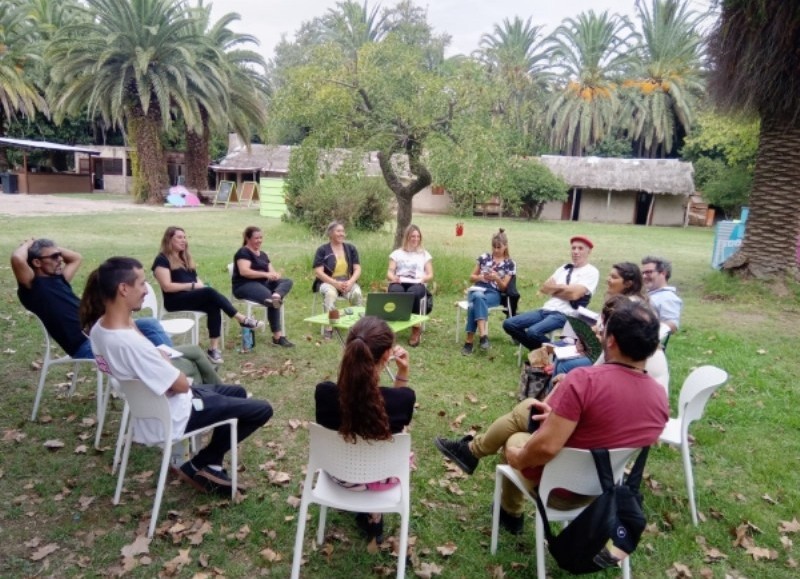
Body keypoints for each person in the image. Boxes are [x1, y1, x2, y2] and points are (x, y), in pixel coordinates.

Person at [435, 300, 668, 534]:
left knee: (515, 439)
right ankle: (478, 464)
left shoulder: (584, 381)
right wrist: (559, 417)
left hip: (558, 488)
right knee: (530, 409)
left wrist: (517, 457)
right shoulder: (660, 399)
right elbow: (607, 429)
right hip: (601, 490)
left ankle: (510, 512)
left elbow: (545, 448)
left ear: (611, 340)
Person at [84, 256, 273, 494]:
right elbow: (182, 384)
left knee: (237, 392)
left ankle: (212, 466)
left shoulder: (100, 328)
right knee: (262, 409)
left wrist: (160, 363)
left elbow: (156, 368)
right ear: (123, 289)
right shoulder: (130, 343)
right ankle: (198, 463)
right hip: (174, 414)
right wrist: (165, 364)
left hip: (152, 407)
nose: (146, 291)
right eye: (142, 284)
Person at [315, 316, 415, 546]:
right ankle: (375, 513)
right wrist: (402, 374)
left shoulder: (324, 394)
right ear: (386, 356)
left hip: (338, 476)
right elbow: (395, 420)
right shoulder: (402, 400)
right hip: (381, 475)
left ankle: (369, 511)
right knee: (400, 440)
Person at [11, 238, 169, 359]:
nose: (60, 259)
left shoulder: (59, 278)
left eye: (59, 255)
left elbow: (76, 258)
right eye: (54, 257)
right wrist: (30, 243)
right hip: (84, 345)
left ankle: (173, 367)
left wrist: (49, 248)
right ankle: (165, 377)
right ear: (37, 262)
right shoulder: (32, 287)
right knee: (135, 347)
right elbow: (17, 259)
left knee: (150, 324)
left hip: (101, 330)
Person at [152, 226, 264, 364]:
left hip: (190, 296)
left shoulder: (184, 258)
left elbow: (196, 279)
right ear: (169, 240)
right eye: (179, 237)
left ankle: (213, 349)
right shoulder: (162, 260)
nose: (184, 241)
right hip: (174, 300)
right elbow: (167, 287)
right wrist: (193, 286)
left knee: (213, 304)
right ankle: (241, 319)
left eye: (185, 237)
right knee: (209, 293)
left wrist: (200, 286)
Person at [503, 235, 599, 351]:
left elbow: (574, 295)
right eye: (573, 248)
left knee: (533, 332)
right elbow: (545, 288)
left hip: (565, 314)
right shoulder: (564, 268)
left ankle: (556, 353)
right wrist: (566, 289)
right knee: (509, 324)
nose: (575, 252)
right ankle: (545, 352)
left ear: (589, 251)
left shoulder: (591, 272)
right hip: (546, 310)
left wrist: (554, 289)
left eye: (580, 248)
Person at [550, 262, 646, 377]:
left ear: (628, 283)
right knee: (559, 359)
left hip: (613, 358)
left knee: (564, 365)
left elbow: (617, 341)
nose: (608, 280)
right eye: (610, 276)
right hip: (598, 350)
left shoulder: (630, 307)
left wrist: (588, 342)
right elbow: (601, 326)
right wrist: (584, 337)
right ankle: (555, 393)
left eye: (614, 277)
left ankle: (561, 393)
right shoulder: (616, 299)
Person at [232, 226, 294, 348]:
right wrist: (266, 274)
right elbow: (244, 272)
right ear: (247, 238)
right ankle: (277, 337)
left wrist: (275, 275)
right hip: (244, 285)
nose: (259, 240)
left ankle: (277, 294)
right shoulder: (243, 252)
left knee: (287, 281)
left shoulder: (263, 255)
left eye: (261, 238)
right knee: (271, 300)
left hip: (263, 284)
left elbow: (271, 272)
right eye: (256, 238)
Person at [461, 229, 516, 356]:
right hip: (477, 289)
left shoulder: (510, 264)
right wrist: (481, 277)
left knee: (475, 304)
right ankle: (483, 336)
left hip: (494, 293)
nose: (496, 250)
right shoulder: (484, 257)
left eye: (499, 247)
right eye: (494, 247)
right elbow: (471, 278)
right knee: (478, 297)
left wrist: (497, 278)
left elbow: (504, 288)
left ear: (505, 246)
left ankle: (469, 342)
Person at [312, 221, 363, 339]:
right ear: (330, 233)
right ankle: (330, 326)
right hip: (328, 282)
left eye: (343, 231)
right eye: (338, 231)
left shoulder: (350, 248)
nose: (342, 234)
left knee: (357, 293)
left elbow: (357, 268)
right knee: (330, 294)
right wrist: (335, 283)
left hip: (347, 282)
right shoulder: (322, 250)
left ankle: (356, 326)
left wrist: (351, 282)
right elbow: (318, 272)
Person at [387, 224, 433, 347]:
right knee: (396, 291)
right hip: (400, 281)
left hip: (417, 283)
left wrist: (423, 278)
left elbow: (430, 274)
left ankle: (415, 328)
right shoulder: (397, 253)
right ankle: (393, 328)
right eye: (413, 236)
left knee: (414, 293)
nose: (415, 239)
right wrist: (393, 278)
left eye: (418, 236)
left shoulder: (424, 254)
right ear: (407, 237)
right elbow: (390, 272)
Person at [641, 256, 682, 333]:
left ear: (663, 273)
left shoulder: (668, 297)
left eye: (649, 272)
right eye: (643, 273)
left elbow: (672, 325)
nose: (644, 276)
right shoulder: (647, 293)